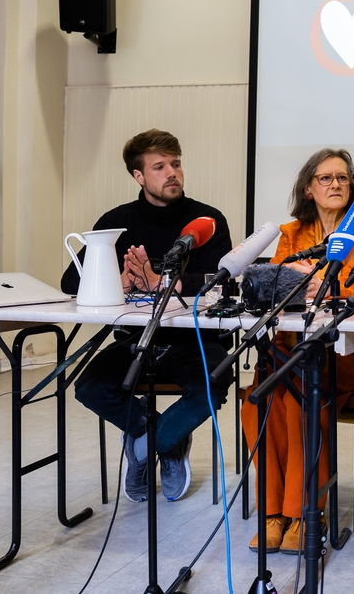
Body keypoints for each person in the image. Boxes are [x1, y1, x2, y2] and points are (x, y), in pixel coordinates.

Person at [62, 129, 233, 503]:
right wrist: (115, 281)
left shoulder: (207, 221)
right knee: (89, 386)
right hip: (137, 341)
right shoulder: (118, 221)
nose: (172, 172)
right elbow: (70, 281)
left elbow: (219, 283)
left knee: (213, 387)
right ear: (139, 176)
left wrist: (161, 283)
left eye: (175, 163)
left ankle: (144, 448)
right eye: (159, 166)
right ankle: (164, 439)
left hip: (195, 341)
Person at [241, 148, 354, 555]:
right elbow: (276, 287)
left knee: (302, 401)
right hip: (289, 347)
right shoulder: (289, 234)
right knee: (258, 401)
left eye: (342, 178)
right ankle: (272, 513)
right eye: (325, 178)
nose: (335, 184)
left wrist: (328, 288)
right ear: (308, 188)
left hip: (349, 352)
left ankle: (304, 514)